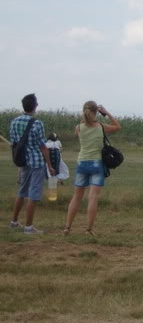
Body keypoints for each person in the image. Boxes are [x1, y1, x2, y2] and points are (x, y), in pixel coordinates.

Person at [63, 101, 121, 236]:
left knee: (76, 197)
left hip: (82, 163)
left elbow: (83, 125)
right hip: (97, 164)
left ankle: (67, 227)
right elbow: (118, 126)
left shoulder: (78, 127)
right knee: (93, 198)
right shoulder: (101, 126)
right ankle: (88, 230)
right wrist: (106, 113)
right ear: (96, 112)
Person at [8, 94, 55, 234]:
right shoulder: (37, 123)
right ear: (34, 106)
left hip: (22, 160)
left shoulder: (14, 122)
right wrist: (50, 165)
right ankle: (29, 227)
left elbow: (14, 142)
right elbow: (43, 147)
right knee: (33, 194)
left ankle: (14, 221)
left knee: (22, 191)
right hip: (36, 162)